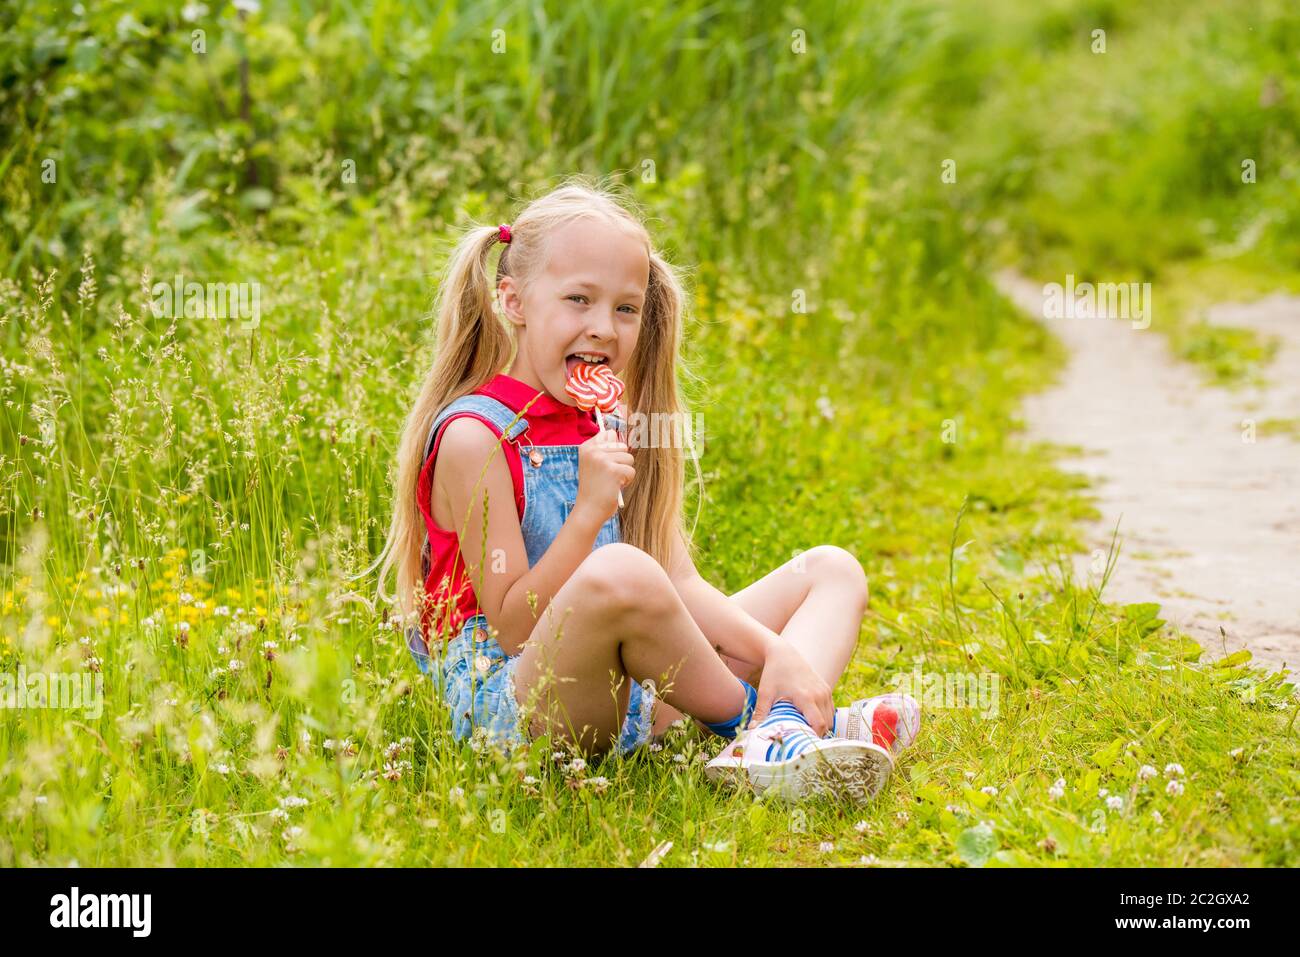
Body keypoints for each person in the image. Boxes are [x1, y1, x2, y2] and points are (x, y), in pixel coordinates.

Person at [373, 180, 918, 801]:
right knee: (619, 571)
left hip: (622, 691)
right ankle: (766, 726)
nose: (603, 328)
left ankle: (783, 722)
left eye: (625, 308)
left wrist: (776, 652)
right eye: (579, 299)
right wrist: (589, 514)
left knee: (832, 571)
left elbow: (678, 584)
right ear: (513, 300)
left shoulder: (607, 418)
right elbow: (513, 631)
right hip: (517, 708)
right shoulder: (476, 437)